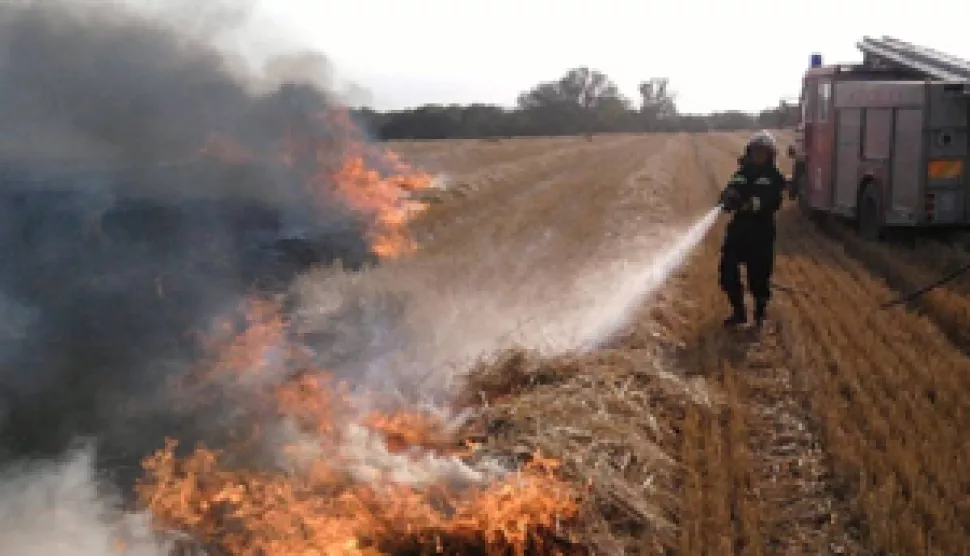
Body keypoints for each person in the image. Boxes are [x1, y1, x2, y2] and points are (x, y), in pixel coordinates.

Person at [717, 131, 786, 329]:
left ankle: (760, 314)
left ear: (770, 155)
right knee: (727, 272)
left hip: (761, 234)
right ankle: (738, 312)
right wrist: (727, 196)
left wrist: (749, 204)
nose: (758, 156)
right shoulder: (742, 173)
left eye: (762, 152)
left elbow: (768, 200)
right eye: (755, 151)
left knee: (759, 277)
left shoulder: (774, 178)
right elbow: (732, 187)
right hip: (738, 232)